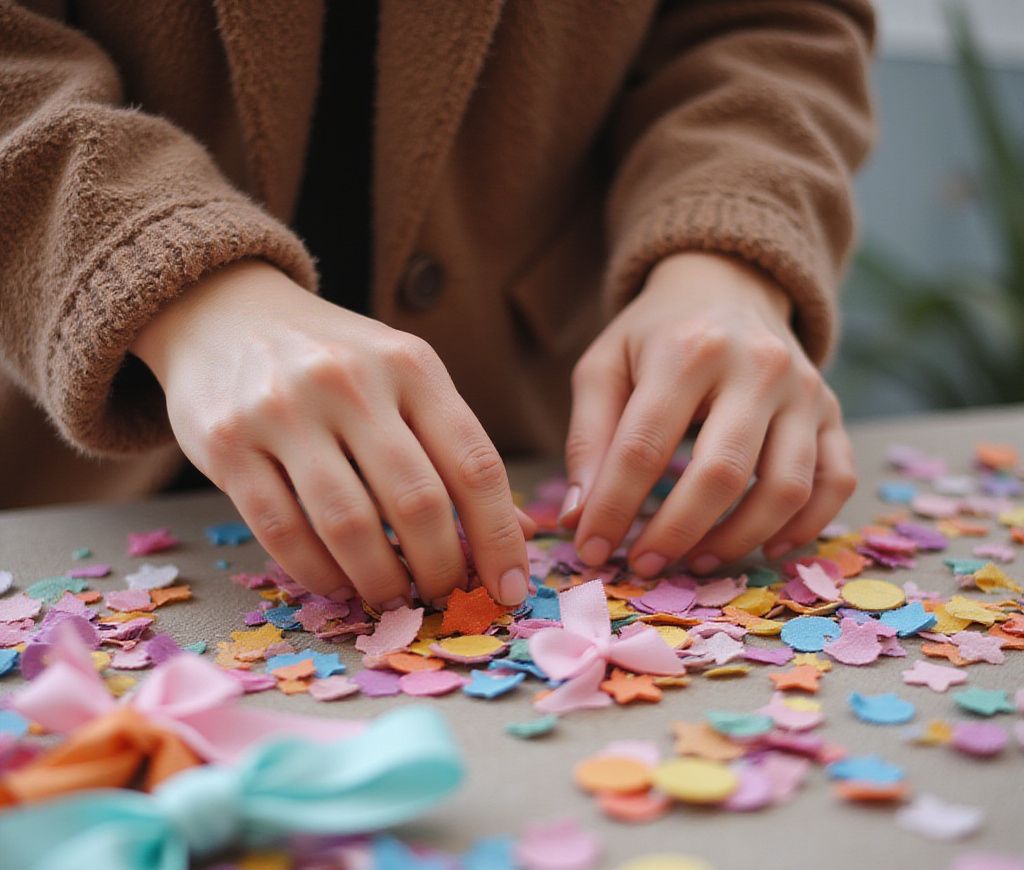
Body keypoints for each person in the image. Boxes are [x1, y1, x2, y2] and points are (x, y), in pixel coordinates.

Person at [0, 1, 875, 611]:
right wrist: (174, 283)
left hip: (532, 434)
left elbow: (773, 19)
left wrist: (728, 247)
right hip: (59, 478)